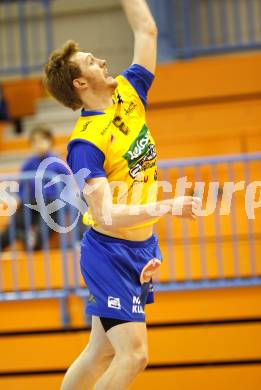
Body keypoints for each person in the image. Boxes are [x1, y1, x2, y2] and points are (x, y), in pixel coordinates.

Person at [44, 1, 201, 388]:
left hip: (142, 249)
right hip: (110, 253)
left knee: (101, 351)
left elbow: (146, 30)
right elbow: (108, 214)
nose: (101, 60)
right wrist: (167, 205)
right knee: (134, 355)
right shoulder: (85, 144)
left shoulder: (129, 93)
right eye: (91, 61)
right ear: (81, 83)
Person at [0, 125, 69, 251]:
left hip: (53, 202)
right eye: (35, 142)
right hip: (33, 202)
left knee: (46, 223)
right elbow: (21, 187)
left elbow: (68, 185)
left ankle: (33, 241)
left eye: (42, 140)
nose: (39, 144)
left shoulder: (57, 162)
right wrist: (22, 199)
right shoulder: (28, 164)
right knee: (16, 222)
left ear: (50, 141)